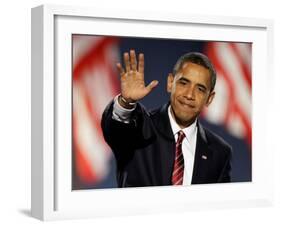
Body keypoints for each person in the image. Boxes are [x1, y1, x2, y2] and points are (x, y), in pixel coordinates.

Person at [101, 49, 232, 187]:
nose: (189, 95)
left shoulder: (220, 153)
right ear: (170, 82)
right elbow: (115, 130)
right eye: (183, 83)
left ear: (209, 98)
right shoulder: (139, 127)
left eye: (200, 89)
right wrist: (126, 103)